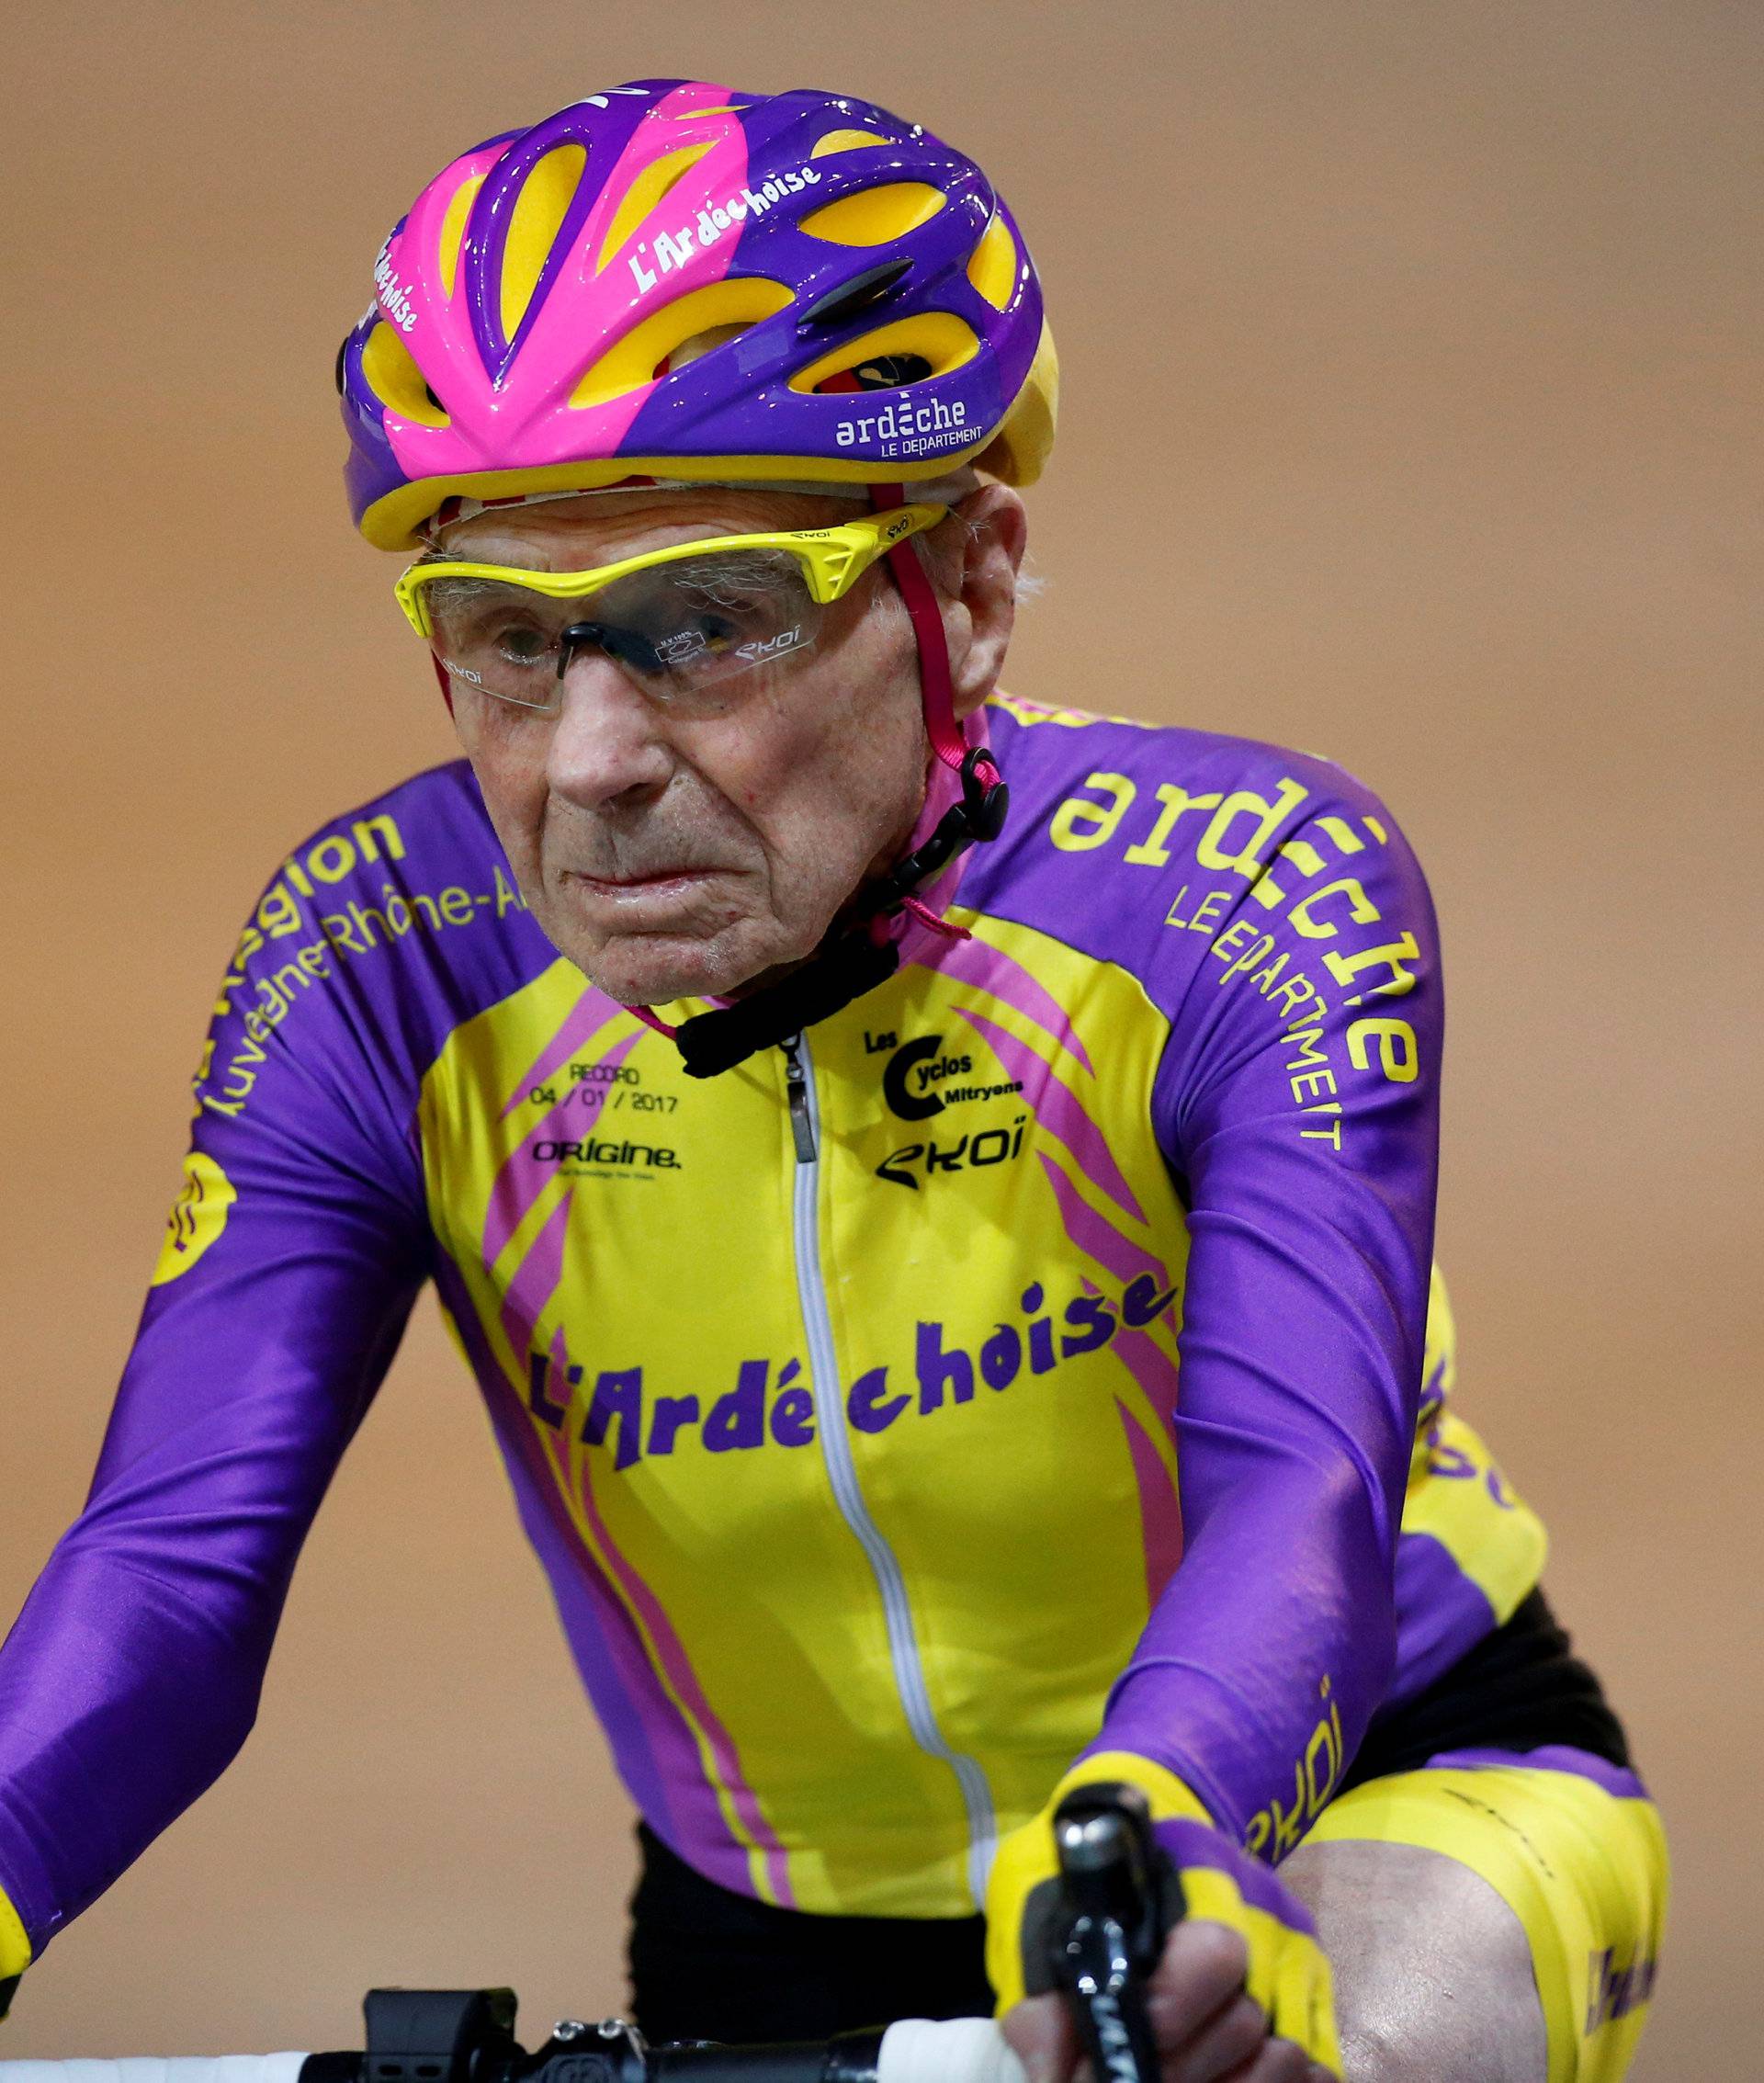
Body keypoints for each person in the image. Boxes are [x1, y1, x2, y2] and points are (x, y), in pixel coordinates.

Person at [0, 79, 1665, 2082]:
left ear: (959, 589)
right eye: (505, 640)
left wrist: (1156, 1842)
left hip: (1337, 1801)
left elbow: (1297, 1485)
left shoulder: (1252, 899)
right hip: (764, 1944)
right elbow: (175, 1566)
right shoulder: (374, 967)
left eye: (702, 622)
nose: (588, 762)